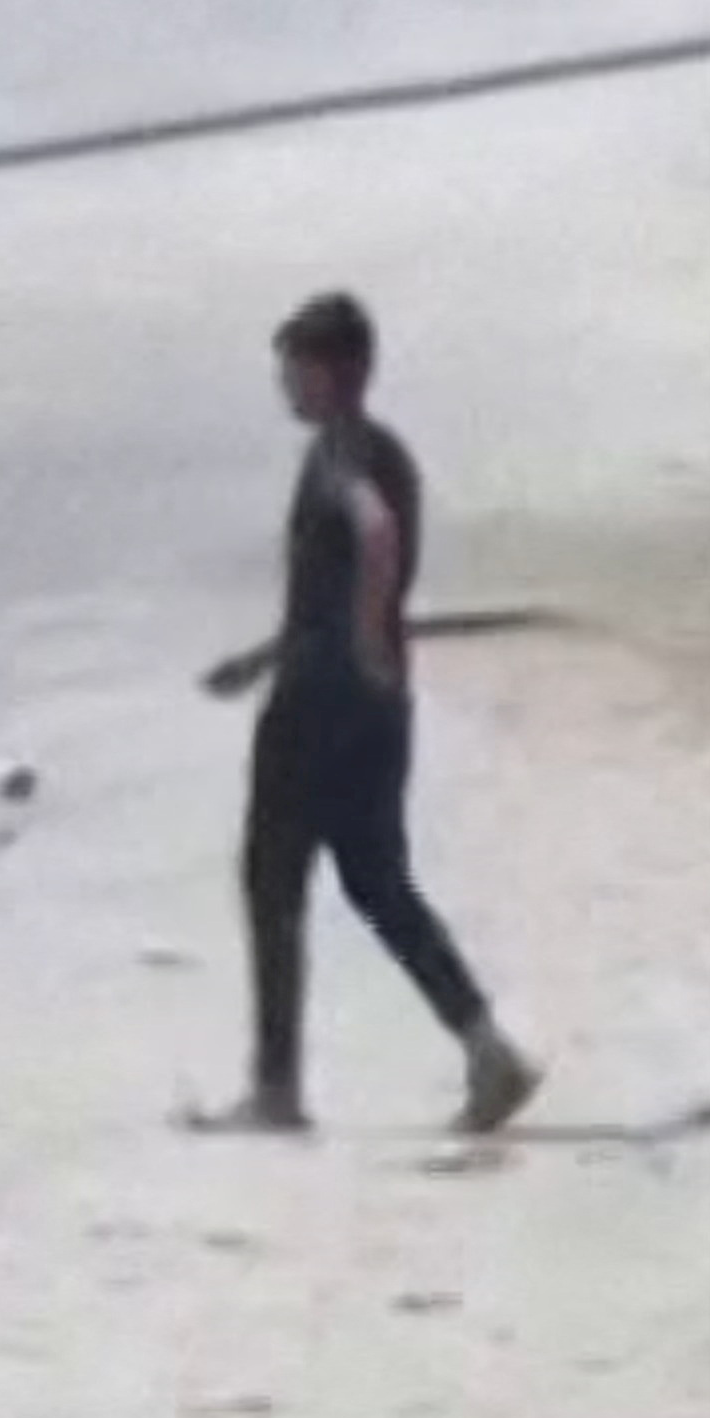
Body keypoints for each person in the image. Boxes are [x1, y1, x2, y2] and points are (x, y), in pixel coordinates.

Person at [201, 292, 537, 1139]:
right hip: (375, 705)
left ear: (331, 371)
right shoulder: (384, 449)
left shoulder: (343, 454)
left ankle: (276, 1091)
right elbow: (340, 579)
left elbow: (376, 538)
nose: (285, 385)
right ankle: (488, 1048)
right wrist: (269, 656)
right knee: (378, 884)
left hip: (319, 705)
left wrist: (357, 639)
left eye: (293, 369)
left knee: (271, 880)